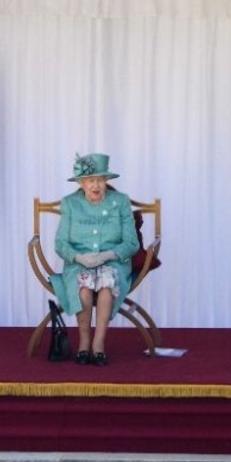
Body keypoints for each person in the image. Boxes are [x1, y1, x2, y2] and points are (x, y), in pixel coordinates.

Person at [53, 153, 139, 366]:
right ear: (81, 183)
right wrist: (78, 257)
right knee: (83, 287)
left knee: (106, 286)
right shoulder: (70, 204)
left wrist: (108, 255)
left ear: (107, 181)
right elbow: (61, 244)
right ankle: (84, 342)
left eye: (100, 179)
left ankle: (98, 344)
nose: (96, 185)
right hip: (79, 263)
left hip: (113, 262)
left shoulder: (120, 202)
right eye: (91, 180)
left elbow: (132, 243)